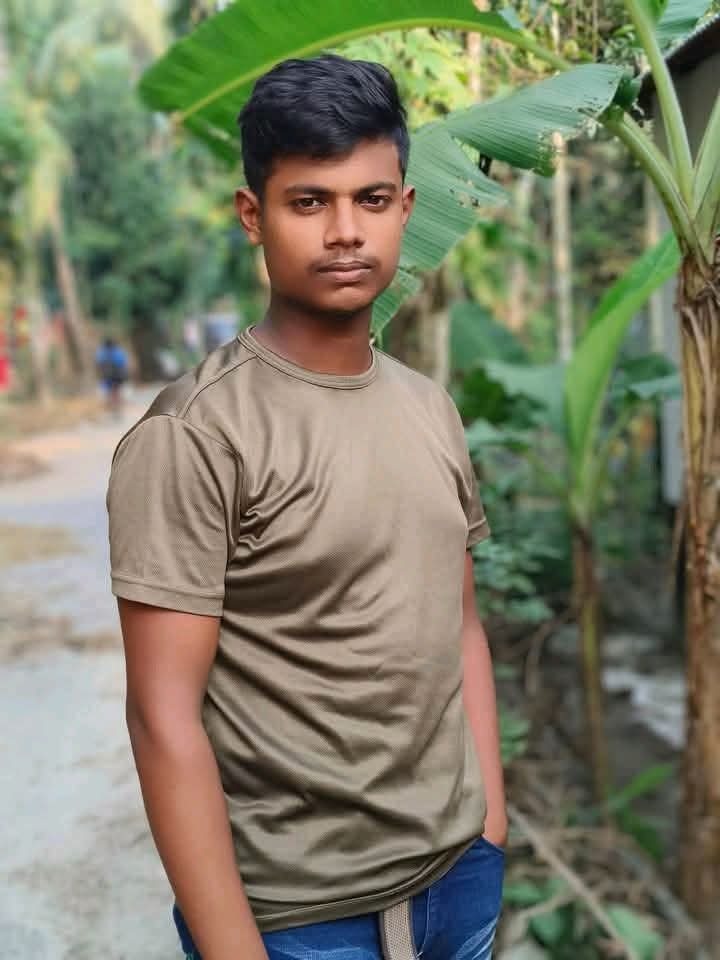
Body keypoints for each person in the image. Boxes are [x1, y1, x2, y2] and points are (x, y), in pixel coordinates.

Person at [107, 55, 507, 960]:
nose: (345, 232)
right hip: (300, 920)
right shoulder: (195, 434)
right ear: (254, 215)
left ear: (406, 208)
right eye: (309, 201)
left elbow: (461, 625)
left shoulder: (430, 409)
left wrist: (491, 823)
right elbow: (162, 718)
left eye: (372, 200)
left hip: (460, 881)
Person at [96, 336, 129, 416]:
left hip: (107, 376)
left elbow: (98, 364)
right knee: (117, 391)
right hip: (117, 375)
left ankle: (112, 408)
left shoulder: (101, 352)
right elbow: (122, 363)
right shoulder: (117, 351)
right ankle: (118, 407)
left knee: (109, 391)